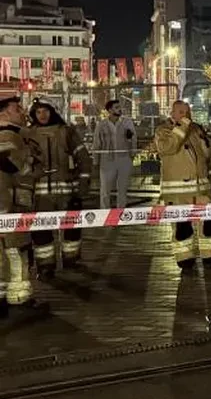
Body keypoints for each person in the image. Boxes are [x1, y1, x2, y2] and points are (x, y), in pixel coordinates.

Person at [26, 98, 91, 277]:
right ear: (33, 114)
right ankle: (45, 266)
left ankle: (71, 259)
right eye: (38, 112)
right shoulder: (28, 134)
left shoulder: (66, 132)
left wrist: (82, 182)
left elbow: (83, 157)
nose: (42, 115)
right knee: (41, 231)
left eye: (45, 111)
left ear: (52, 111)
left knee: (71, 228)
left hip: (67, 192)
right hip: (40, 194)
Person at [154, 100, 211, 271]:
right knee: (182, 228)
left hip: (203, 190)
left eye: (187, 111)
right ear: (172, 113)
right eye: (181, 112)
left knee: (210, 226)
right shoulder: (164, 131)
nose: (186, 115)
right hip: (177, 193)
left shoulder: (197, 130)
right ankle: (185, 261)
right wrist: (182, 126)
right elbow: (167, 148)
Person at [0, 95, 36, 317]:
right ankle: (18, 296)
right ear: (3, 113)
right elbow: (17, 167)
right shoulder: (8, 135)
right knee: (15, 250)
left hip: (7, 201)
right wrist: (30, 159)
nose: (23, 112)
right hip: (10, 204)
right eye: (17, 108)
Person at [93, 99, 136, 209]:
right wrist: (96, 161)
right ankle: (104, 214)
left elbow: (134, 139)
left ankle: (120, 214)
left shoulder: (127, 122)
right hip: (107, 160)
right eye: (116, 107)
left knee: (122, 189)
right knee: (105, 190)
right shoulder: (101, 125)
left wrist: (132, 154)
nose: (119, 109)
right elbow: (97, 143)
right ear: (110, 110)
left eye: (119, 107)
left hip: (124, 159)